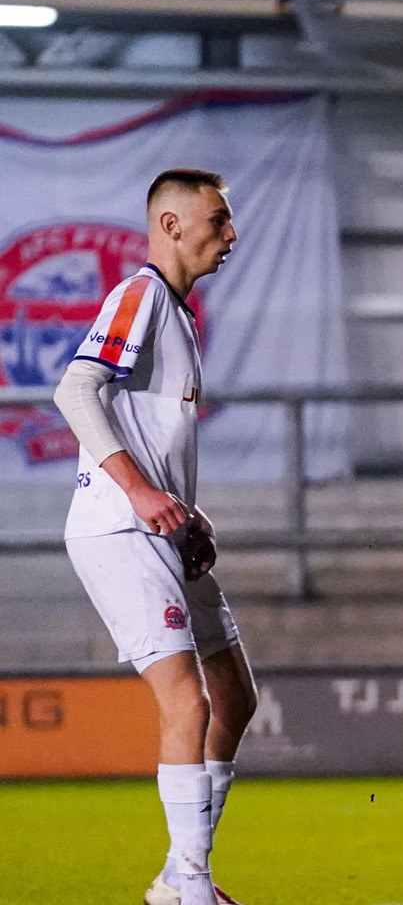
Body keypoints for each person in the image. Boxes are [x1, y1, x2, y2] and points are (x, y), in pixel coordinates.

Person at [52, 169, 254, 905]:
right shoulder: (138, 294)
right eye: (218, 221)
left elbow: (148, 431)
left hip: (162, 529)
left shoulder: (175, 313)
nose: (230, 235)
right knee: (189, 703)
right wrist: (140, 493)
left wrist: (183, 510)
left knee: (233, 696)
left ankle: (177, 877)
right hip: (117, 526)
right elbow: (75, 389)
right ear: (170, 225)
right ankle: (192, 887)